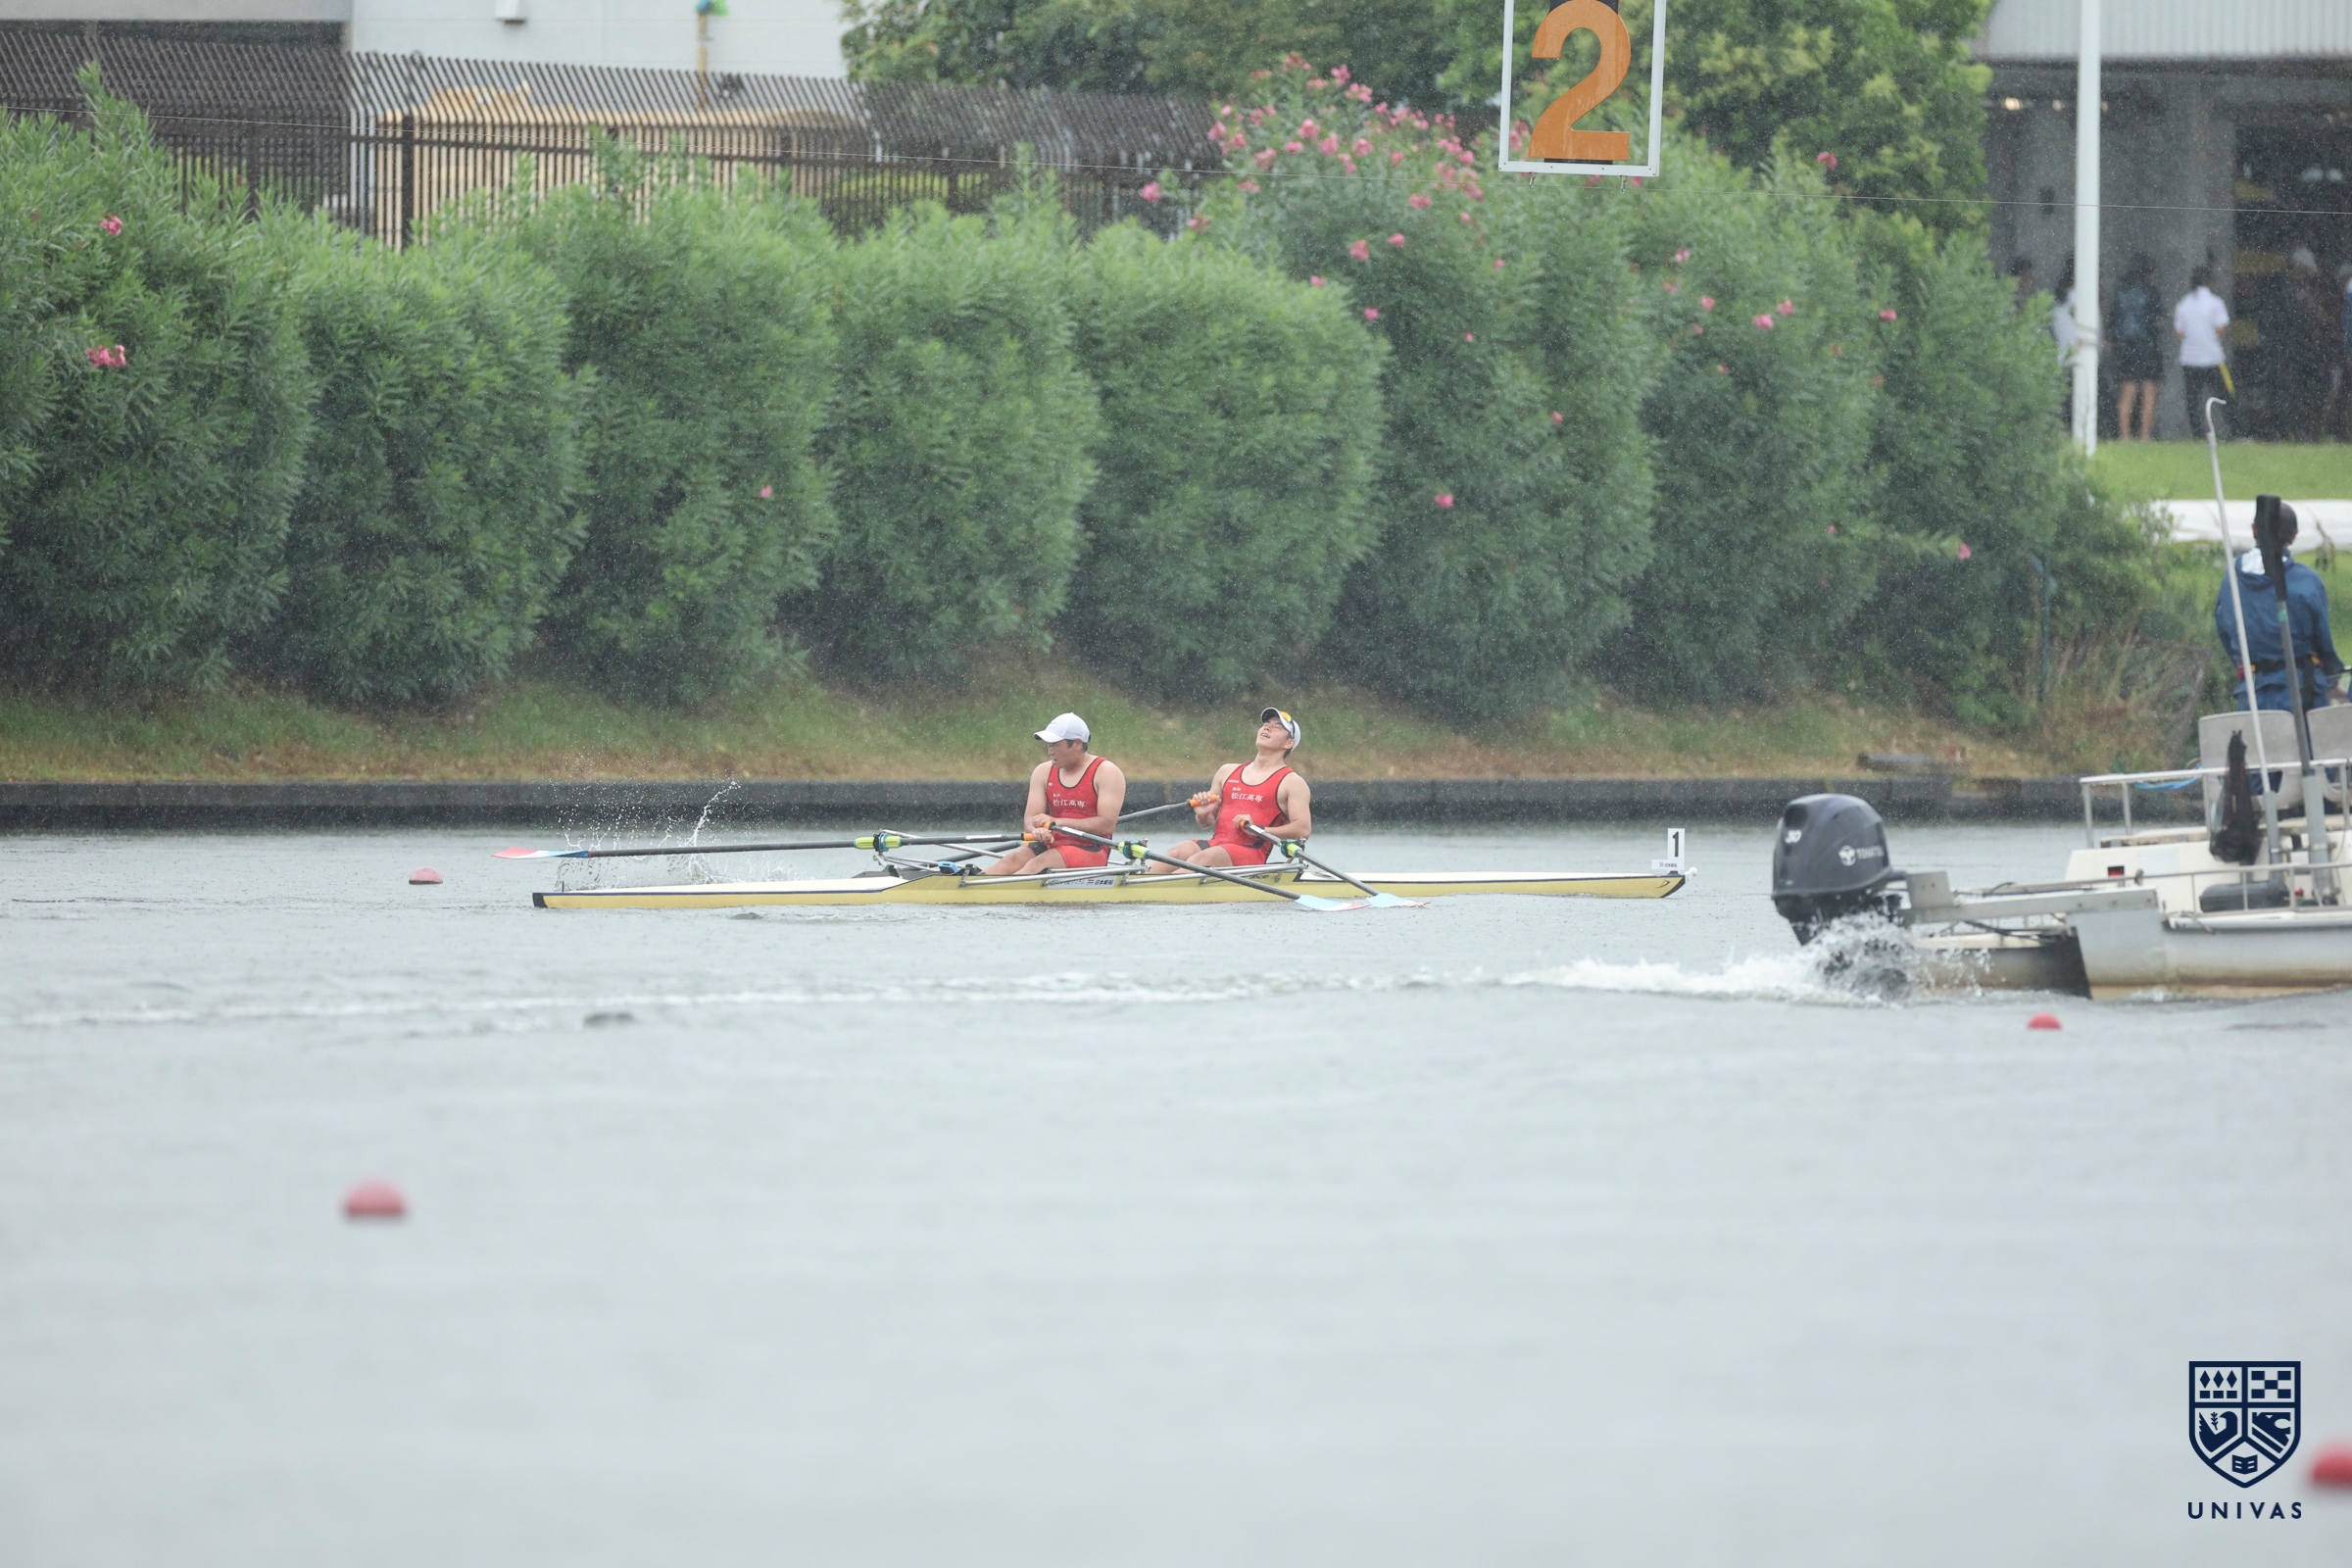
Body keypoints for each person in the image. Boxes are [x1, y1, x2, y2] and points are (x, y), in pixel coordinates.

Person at [2213, 508, 2344, 713]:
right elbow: (2323, 642)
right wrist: (2333, 675)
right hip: (2303, 694)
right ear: (2294, 535)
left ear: (2254, 529)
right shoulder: (2307, 581)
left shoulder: (2232, 580)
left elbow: (2225, 632)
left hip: (2253, 695)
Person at [1154, 708, 1312, 871]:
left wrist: (1260, 830)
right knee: (1178, 852)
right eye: (1266, 724)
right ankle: (1145, 881)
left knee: (1200, 859)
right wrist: (1204, 815)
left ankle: (1162, 886)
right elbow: (1206, 823)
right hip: (1216, 844)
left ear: (1288, 743)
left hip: (1251, 853)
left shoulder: (1292, 782)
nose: (1267, 728)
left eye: (1277, 727)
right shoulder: (1227, 771)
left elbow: (1302, 830)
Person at [983, 711, 1127, 875]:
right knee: (1012, 860)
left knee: (1036, 864)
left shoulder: (1106, 772)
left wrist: (1058, 822)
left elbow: (1106, 825)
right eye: (1049, 745)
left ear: (1077, 744)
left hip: (1090, 847)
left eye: (1056, 745)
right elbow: (1030, 819)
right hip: (1050, 842)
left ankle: (1005, 889)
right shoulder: (1043, 771)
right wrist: (1037, 830)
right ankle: (975, 884)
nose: (1050, 751)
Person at [2175, 265, 2231, 439]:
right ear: (2210, 282)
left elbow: (2179, 332)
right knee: (2226, 395)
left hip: (2190, 360)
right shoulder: (2215, 303)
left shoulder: (2183, 304)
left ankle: (2198, 435)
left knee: (2193, 400)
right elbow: (2221, 327)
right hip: (2213, 359)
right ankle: (2237, 431)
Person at [2110, 255, 2162, 442]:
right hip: (2148, 347)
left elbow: (2113, 321)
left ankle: (2124, 436)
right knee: (2149, 393)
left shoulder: (2121, 291)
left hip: (2126, 348)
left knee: (2127, 393)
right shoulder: (2151, 291)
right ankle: (2145, 436)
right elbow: (2158, 321)